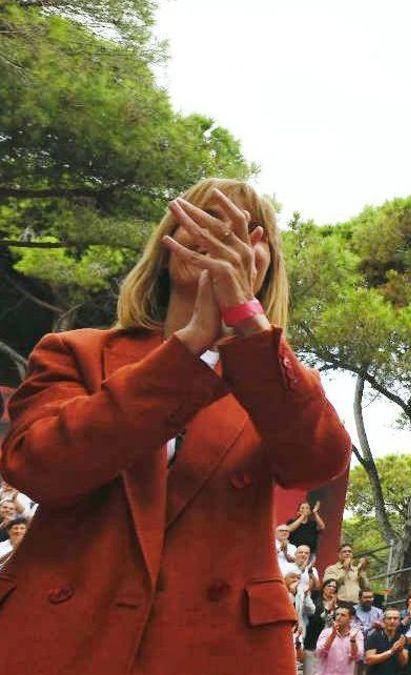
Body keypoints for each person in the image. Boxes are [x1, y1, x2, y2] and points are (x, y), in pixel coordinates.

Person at [0, 178, 353, 673]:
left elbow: (318, 460)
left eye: (245, 233)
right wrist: (187, 347)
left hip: (216, 649)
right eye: (203, 219)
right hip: (61, 638)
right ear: (165, 248)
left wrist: (249, 325)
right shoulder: (75, 352)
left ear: (265, 264)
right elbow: (41, 467)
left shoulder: (279, 382)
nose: (220, 238)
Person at [303, 578, 343, 675]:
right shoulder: (315, 602)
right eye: (329, 585)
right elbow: (315, 620)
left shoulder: (339, 607)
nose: (332, 588)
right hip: (313, 644)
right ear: (323, 588)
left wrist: (335, 609)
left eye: (335, 587)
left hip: (332, 646)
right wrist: (328, 608)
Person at [318, 606, 364, 675]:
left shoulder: (357, 634)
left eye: (343, 615)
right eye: (337, 614)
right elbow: (320, 652)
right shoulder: (326, 632)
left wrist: (353, 641)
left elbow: (357, 656)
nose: (338, 617)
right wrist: (332, 635)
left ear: (351, 619)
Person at [364, 609, 411, 674]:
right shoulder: (374, 636)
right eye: (389, 618)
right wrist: (391, 651)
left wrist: (400, 651)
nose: (392, 621)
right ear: (384, 621)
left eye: (395, 618)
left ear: (399, 621)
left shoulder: (402, 638)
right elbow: (369, 660)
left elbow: (403, 663)